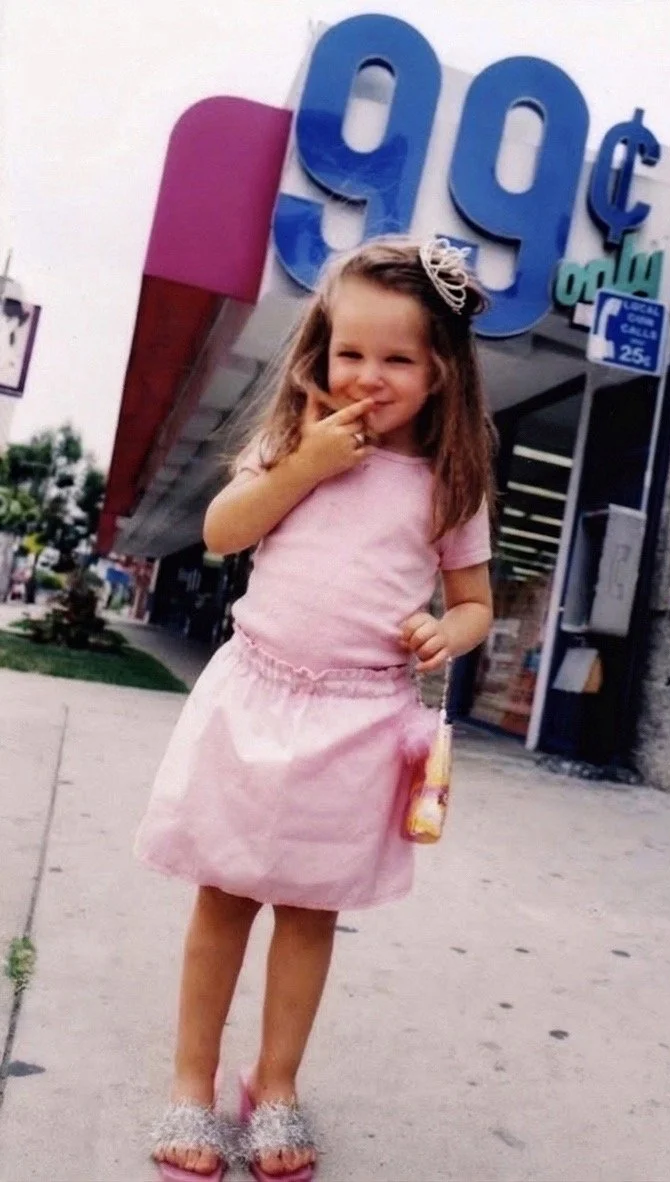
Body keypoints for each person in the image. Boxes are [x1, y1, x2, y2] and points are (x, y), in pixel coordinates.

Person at [136, 236, 495, 1181]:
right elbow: (222, 533)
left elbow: (474, 601)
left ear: (442, 371)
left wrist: (446, 633)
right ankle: (191, 1082)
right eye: (350, 353)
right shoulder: (295, 440)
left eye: (397, 359)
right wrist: (305, 465)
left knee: (309, 912)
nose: (367, 377)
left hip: (360, 723)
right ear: (320, 351)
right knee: (223, 896)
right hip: (256, 698)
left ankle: (278, 1084)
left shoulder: (451, 481)